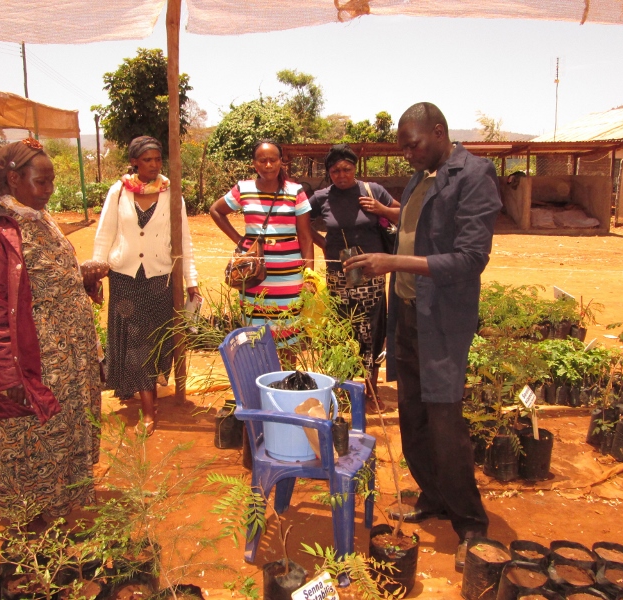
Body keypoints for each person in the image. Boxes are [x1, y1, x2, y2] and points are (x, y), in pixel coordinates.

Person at [344, 103, 502, 570]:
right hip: (410, 313)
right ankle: (433, 496)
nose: (407, 155)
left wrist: (393, 263)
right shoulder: (421, 176)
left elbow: (471, 258)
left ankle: (471, 524)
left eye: (412, 145)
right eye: (402, 148)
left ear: (438, 131)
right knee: (412, 412)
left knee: (445, 419)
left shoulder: (473, 176)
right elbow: (413, 228)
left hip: (443, 320)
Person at [0, 139, 101, 521]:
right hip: (35, 361)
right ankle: (31, 520)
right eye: (43, 182)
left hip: (68, 356)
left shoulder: (37, 215)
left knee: (68, 429)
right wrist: (8, 378)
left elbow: (38, 277)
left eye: (52, 181)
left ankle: (66, 501)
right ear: (14, 178)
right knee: (34, 437)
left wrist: (79, 277)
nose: (51, 190)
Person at [90, 136, 199, 436]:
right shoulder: (118, 192)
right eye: (147, 160)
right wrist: (95, 273)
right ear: (135, 161)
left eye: (157, 160)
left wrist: (192, 281)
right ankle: (148, 409)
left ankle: (144, 393)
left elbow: (184, 241)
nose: (153, 165)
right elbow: (104, 234)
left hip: (158, 281)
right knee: (136, 342)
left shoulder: (171, 195)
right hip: (124, 278)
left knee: (150, 342)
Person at [308, 143, 400, 398]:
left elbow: (404, 214)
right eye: (335, 171)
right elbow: (301, 221)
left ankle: (371, 389)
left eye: (346, 169)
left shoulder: (373, 191)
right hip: (338, 274)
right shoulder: (322, 197)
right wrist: (323, 244)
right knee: (342, 328)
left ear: (355, 168)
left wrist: (380, 209)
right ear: (329, 173)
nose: (341, 175)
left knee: (371, 328)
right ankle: (343, 388)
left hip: (371, 272)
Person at [209, 139, 314, 347]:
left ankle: (287, 379)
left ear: (281, 161)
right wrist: (240, 241)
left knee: (288, 335)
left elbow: (305, 236)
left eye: (273, 160)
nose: (268, 165)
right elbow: (216, 210)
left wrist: (309, 275)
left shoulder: (296, 192)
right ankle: (260, 379)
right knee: (255, 336)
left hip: (289, 277)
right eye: (262, 160)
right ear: (254, 164)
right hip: (254, 275)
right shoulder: (243, 188)